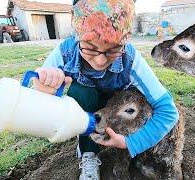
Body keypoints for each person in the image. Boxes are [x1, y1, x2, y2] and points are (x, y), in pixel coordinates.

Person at [33, 0, 179, 179]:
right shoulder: (64, 54)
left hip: (115, 112)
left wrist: (131, 143)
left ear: (124, 41)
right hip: (85, 107)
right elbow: (37, 106)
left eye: (114, 49)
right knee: (82, 92)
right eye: (90, 48)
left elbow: (168, 110)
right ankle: (88, 152)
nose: (100, 61)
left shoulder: (131, 60)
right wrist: (44, 91)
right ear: (77, 36)